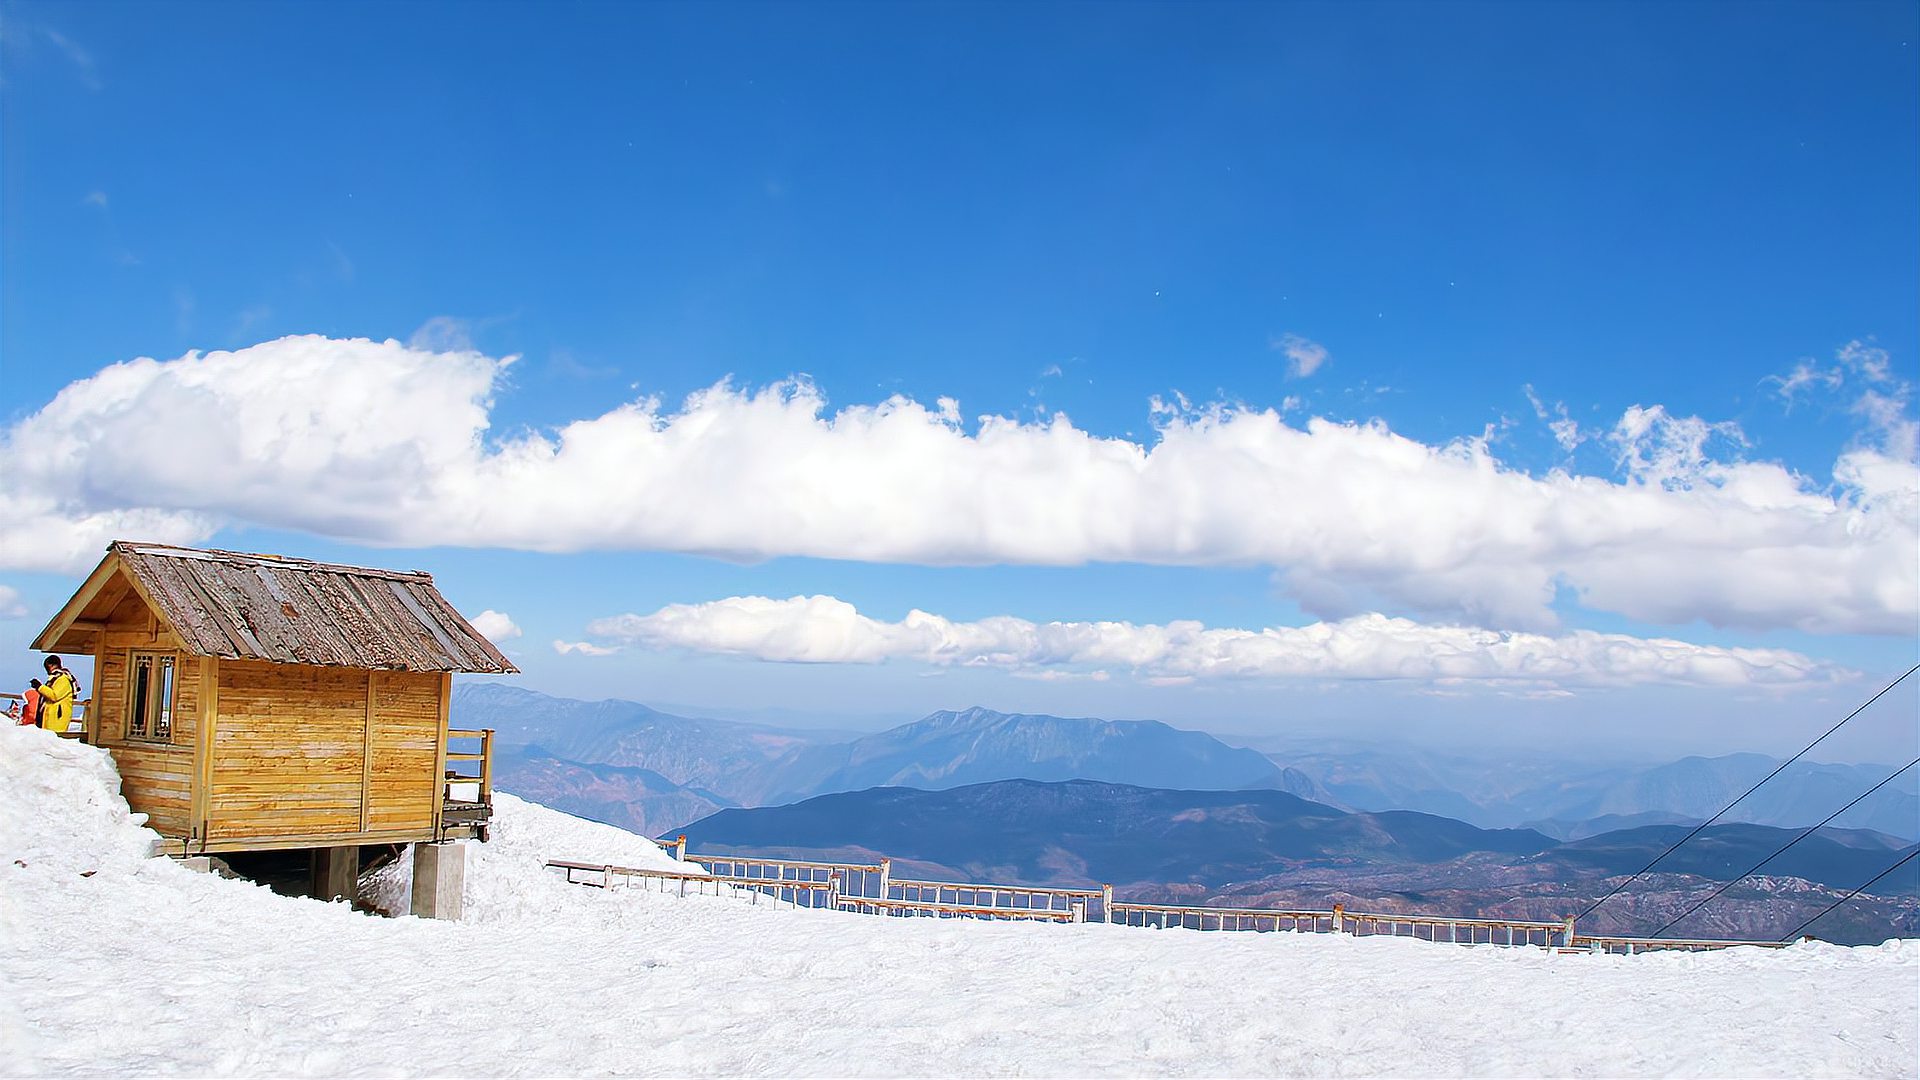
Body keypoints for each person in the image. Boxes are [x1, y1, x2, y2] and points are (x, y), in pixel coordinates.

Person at [38, 656, 79, 734]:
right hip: (51, 717)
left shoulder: (63, 679)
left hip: (58, 718)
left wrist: (40, 687)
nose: (47, 669)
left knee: (55, 740)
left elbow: (55, 696)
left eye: (48, 666)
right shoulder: (54, 679)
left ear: (55, 665)